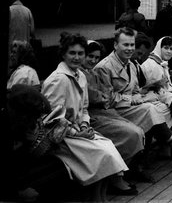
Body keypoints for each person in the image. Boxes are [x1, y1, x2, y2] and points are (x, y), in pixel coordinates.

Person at [94, 27, 172, 168]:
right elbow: (106, 99)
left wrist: (137, 97)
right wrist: (133, 99)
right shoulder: (104, 67)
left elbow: (134, 90)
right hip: (112, 111)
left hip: (128, 106)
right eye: (125, 45)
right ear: (115, 45)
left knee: (162, 107)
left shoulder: (130, 64)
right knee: (151, 110)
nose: (129, 49)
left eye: (131, 45)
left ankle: (170, 151)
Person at [41, 32, 132, 201]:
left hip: (78, 130)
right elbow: (51, 120)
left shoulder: (80, 75)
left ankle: (100, 196)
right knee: (101, 153)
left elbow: (83, 108)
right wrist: (77, 133)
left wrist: (84, 125)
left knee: (108, 147)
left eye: (80, 53)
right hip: (62, 138)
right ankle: (96, 198)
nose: (77, 58)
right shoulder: (58, 80)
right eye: (72, 53)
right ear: (63, 54)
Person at [81, 40, 153, 185]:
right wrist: (101, 97)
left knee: (142, 123)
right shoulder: (85, 73)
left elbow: (105, 96)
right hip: (91, 116)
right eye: (90, 56)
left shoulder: (91, 73)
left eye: (96, 57)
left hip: (104, 111)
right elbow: (102, 97)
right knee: (133, 131)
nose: (93, 60)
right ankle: (116, 175)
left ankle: (128, 169)